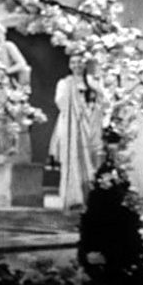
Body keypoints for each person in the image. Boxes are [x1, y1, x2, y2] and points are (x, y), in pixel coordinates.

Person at [48, 55, 104, 210]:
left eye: (80, 62)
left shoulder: (92, 82)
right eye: (73, 62)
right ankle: (74, 197)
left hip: (90, 123)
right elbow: (60, 102)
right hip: (71, 124)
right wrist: (76, 105)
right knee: (72, 157)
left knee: (91, 158)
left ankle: (91, 197)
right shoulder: (64, 83)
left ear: (85, 64)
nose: (76, 65)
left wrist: (90, 107)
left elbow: (101, 100)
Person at [0, 23, 33, 162]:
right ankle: (3, 145)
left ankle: (11, 146)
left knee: (2, 116)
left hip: (4, 86)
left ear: (2, 34)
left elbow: (22, 63)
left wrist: (6, 71)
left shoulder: (8, 46)